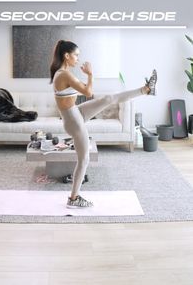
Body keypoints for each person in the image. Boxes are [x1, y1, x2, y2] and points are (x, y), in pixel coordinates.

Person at [50, 40, 157, 208]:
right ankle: (73, 198)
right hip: (73, 120)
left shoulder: (63, 72)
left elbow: (85, 93)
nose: (78, 59)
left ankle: (146, 90)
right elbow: (88, 92)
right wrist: (90, 75)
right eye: (76, 55)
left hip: (75, 112)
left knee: (109, 98)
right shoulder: (64, 74)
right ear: (66, 55)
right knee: (84, 159)